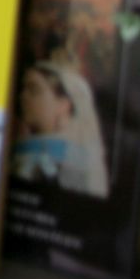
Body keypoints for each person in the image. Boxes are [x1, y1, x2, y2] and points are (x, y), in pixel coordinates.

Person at [13, 61, 110, 197]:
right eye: (23, 89)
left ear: (64, 105)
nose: (23, 97)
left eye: (34, 90)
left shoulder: (73, 161)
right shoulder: (16, 146)